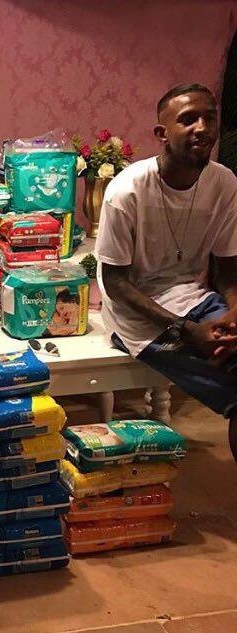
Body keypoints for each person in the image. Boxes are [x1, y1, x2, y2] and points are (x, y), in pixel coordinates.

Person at [95, 84, 237, 460]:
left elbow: (228, 270)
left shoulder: (224, 183)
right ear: (162, 133)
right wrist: (188, 332)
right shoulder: (126, 192)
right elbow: (115, 283)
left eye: (209, 118)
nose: (201, 127)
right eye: (188, 119)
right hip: (139, 321)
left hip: (196, 300)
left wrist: (234, 312)